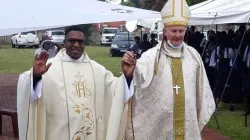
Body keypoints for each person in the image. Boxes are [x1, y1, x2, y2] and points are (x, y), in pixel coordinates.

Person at [17, 25, 134, 140]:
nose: (76, 45)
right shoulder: (49, 67)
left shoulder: (97, 70)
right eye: (72, 41)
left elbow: (116, 91)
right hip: (58, 133)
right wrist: (36, 76)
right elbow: (27, 89)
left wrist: (127, 77)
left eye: (80, 42)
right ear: (64, 42)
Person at [121, 0, 215, 139]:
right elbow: (137, 79)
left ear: (186, 31)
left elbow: (201, 89)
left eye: (181, 31)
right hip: (160, 129)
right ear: (165, 31)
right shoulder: (151, 56)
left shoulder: (194, 56)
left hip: (187, 127)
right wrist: (129, 74)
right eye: (173, 31)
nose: (177, 35)